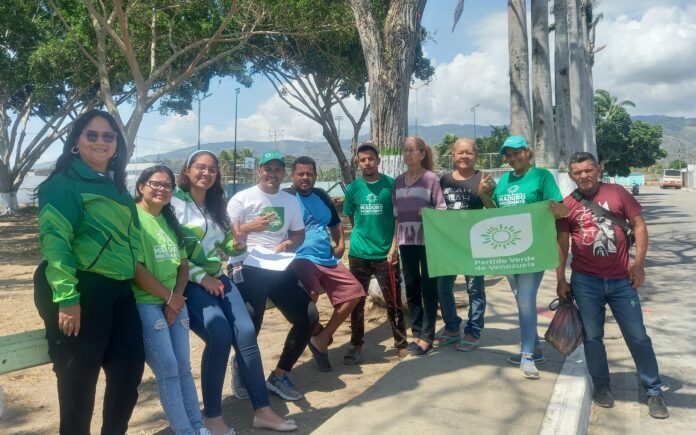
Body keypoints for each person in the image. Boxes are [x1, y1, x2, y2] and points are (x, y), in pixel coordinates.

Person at [33, 109, 145, 434]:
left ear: (116, 145)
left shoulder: (119, 190)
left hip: (120, 291)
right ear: (76, 142)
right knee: (78, 386)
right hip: (80, 288)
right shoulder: (63, 185)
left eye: (108, 136)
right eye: (91, 134)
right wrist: (67, 297)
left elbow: (132, 246)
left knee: (128, 374)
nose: (100, 141)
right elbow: (56, 244)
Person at [174, 150, 296, 435]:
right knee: (219, 335)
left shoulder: (218, 203)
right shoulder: (174, 203)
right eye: (200, 167)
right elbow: (171, 252)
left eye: (212, 169)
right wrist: (200, 276)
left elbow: (228, 246)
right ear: (188, 170)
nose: (206, 173)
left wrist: (238, 244)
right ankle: (212, 417)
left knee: (245, 333)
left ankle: (263, 410)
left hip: (217, 277)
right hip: (188, 282)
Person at [556, 152, 669, 419]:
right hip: (585, 281)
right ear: (572, 176)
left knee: (638, 336)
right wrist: (560, 278)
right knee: (593, 337)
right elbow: (562, 243)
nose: (584, 175)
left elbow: (639, 226)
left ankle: (653, 390)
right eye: (578, 172)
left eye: (588, 169)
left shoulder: (617, 193)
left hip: (621, 280)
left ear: (598, 169)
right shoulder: (568, 204)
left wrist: (638, 264)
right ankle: (603, 386)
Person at [226, 151, 319, 402]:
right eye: (268, 169)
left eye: (278, 170)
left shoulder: (289, 202)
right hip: (246, 264)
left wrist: (287, 244)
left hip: (278, 264)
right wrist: (248, 227)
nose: (272, 174)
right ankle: (240, 366)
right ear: (259, 170)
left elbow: (298, 234)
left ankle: (279, 375)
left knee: (309, 316)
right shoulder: (241, 199)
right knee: (251, 323)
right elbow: (225, 236)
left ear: (283, 174)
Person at [132, 166, 209, 435]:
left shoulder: (169, 218)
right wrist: (168, 298)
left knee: (183, 366)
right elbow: (136, 269)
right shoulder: (133, 218)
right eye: (156, 183)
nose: (162, 189)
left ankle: (198, 426)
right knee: (167, 366)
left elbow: (183, 266)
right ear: (142, 186)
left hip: (175, 300)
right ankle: (184, 430)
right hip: (147, 302)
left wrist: (175, 298)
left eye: (168, 186)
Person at [491, 135, 567, 380]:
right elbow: (494, 214)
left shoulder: (543, 177)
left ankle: (526, 356)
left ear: (527, 152)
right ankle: (535, 348)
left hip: (533, 250)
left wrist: (556, 210)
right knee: (520, 299)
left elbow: (560, 209)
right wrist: (484, 196)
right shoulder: (503, 180)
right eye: (508, 155)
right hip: (507, 250)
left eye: (516, 153)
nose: (512, 158)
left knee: (525, 299)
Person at [283, 156, 364, 372]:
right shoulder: (286, 197)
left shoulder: (321, 195)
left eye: (310, 174)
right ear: (293, 176)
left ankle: (322, 337)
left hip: (327, 258)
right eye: (301, 173)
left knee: (355, 292)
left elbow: (335, 223)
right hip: (300, 258)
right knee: (309, 296)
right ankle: (313, 331)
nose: (305, 178)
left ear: (316, 176)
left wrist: (340, 244)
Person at [343, 141, 409, 364]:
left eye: (371, 158)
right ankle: (356, 345)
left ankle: (401, 343)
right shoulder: (352, 189)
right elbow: (353, 219)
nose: (367, 163)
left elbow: (398, 218)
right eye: (362, 160)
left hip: (385, 255)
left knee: (393, 301)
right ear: (358, 163)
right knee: (356, 302)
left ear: (378, 161)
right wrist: (362, 237)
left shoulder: (391, 185)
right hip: (358, 254)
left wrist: (393, 247)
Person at [437, 138, 496, 351]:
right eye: (460, 152)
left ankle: (473, 331)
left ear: (476, 156)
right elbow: (437, 208)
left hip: (475, 244)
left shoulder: (485, 179)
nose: (464, 156)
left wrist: (483, 193)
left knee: (475, 289)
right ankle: (452, 327)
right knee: (443, 288)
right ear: (453, 155)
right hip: (448, 245)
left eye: (468, 153)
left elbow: (494, 212)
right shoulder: (443, 180)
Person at [392, 136, 446, 356]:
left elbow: (442, 209)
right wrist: (393, 246)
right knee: (412, 286)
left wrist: (429, 213)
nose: (407, 154)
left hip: (428, 241)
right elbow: (396, 217)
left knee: (429, 287)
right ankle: (416, 332)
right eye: (405, 150)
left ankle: (427, 336)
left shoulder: (431, 179)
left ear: (423, 154)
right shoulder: (397, 181)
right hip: (406, 241)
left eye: (412, 150)